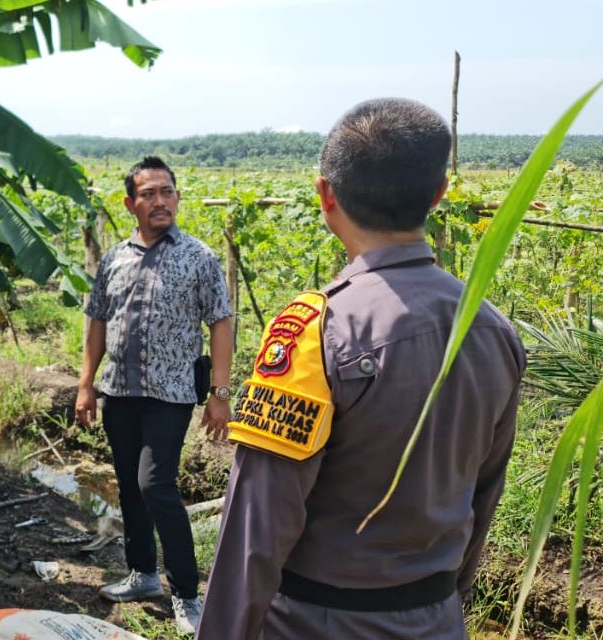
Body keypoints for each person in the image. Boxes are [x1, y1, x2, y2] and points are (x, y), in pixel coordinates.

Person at [198, 98, 526, 639]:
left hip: (316, 623)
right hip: (438, 618)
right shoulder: (494, 330)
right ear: (439, 194)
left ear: (326, 194)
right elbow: (483, 495)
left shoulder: (314, 332)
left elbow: (257, 525)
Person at [75, 156, 234, 633]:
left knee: (155, 485)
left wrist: (220, 392)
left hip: (171, 393)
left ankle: (187, 592)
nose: (160, 201)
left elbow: (221, 322)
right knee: (128, 487)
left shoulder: (199, 258)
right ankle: (143, 574)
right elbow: (97, 321)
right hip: (119, 391)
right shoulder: (115, 259)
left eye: (167, 192)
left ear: (177, 198)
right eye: (148, 194)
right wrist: (86, 383)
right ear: (131, 203)